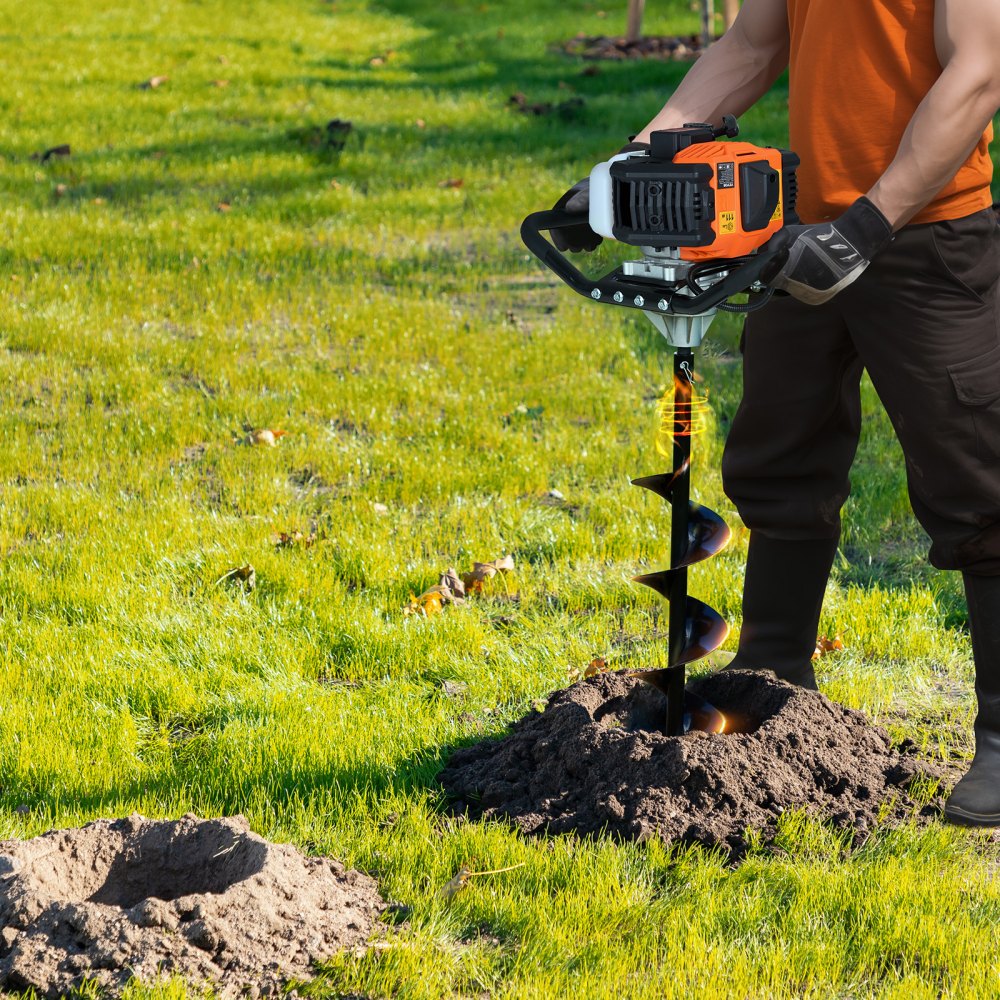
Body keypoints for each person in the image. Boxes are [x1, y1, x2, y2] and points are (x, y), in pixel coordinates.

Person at [552, 0, 1000, 827]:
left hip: (927, 236)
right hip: (798, 240)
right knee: (779, 458)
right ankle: (775, 675)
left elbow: (978, 73)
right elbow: (753, 45)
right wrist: (625, 175)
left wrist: (864, 228)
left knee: (979, 481)